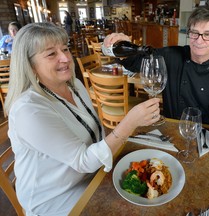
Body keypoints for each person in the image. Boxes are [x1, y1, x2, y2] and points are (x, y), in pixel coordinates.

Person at [4, 22, 160, 215]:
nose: (65, 58)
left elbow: (95, 134)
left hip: (92, 176)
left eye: (65, 49)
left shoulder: (74, 85)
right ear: (30, 65)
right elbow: (82, 161)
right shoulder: (28, 110)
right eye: (51, 54)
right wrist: (129, 123)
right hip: (54, 198)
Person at [103, 6, 209, 126]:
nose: (199, 40)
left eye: (208, 34)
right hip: (169, 129)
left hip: (203, 137)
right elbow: (134, 62)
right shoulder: (170, 55)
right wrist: (120, 44)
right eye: (194, 33)